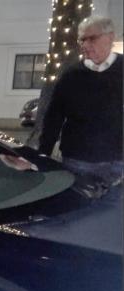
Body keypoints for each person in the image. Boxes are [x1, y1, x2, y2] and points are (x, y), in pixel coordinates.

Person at [38, 16, 122, 186]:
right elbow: (54, 117)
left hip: (118, 161)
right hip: (78, 160)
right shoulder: (71, 75)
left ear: (110, 37)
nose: (85, 45)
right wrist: (43, 155)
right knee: (78, 210)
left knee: (114, 210)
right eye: (82, 40)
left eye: (92, 38)